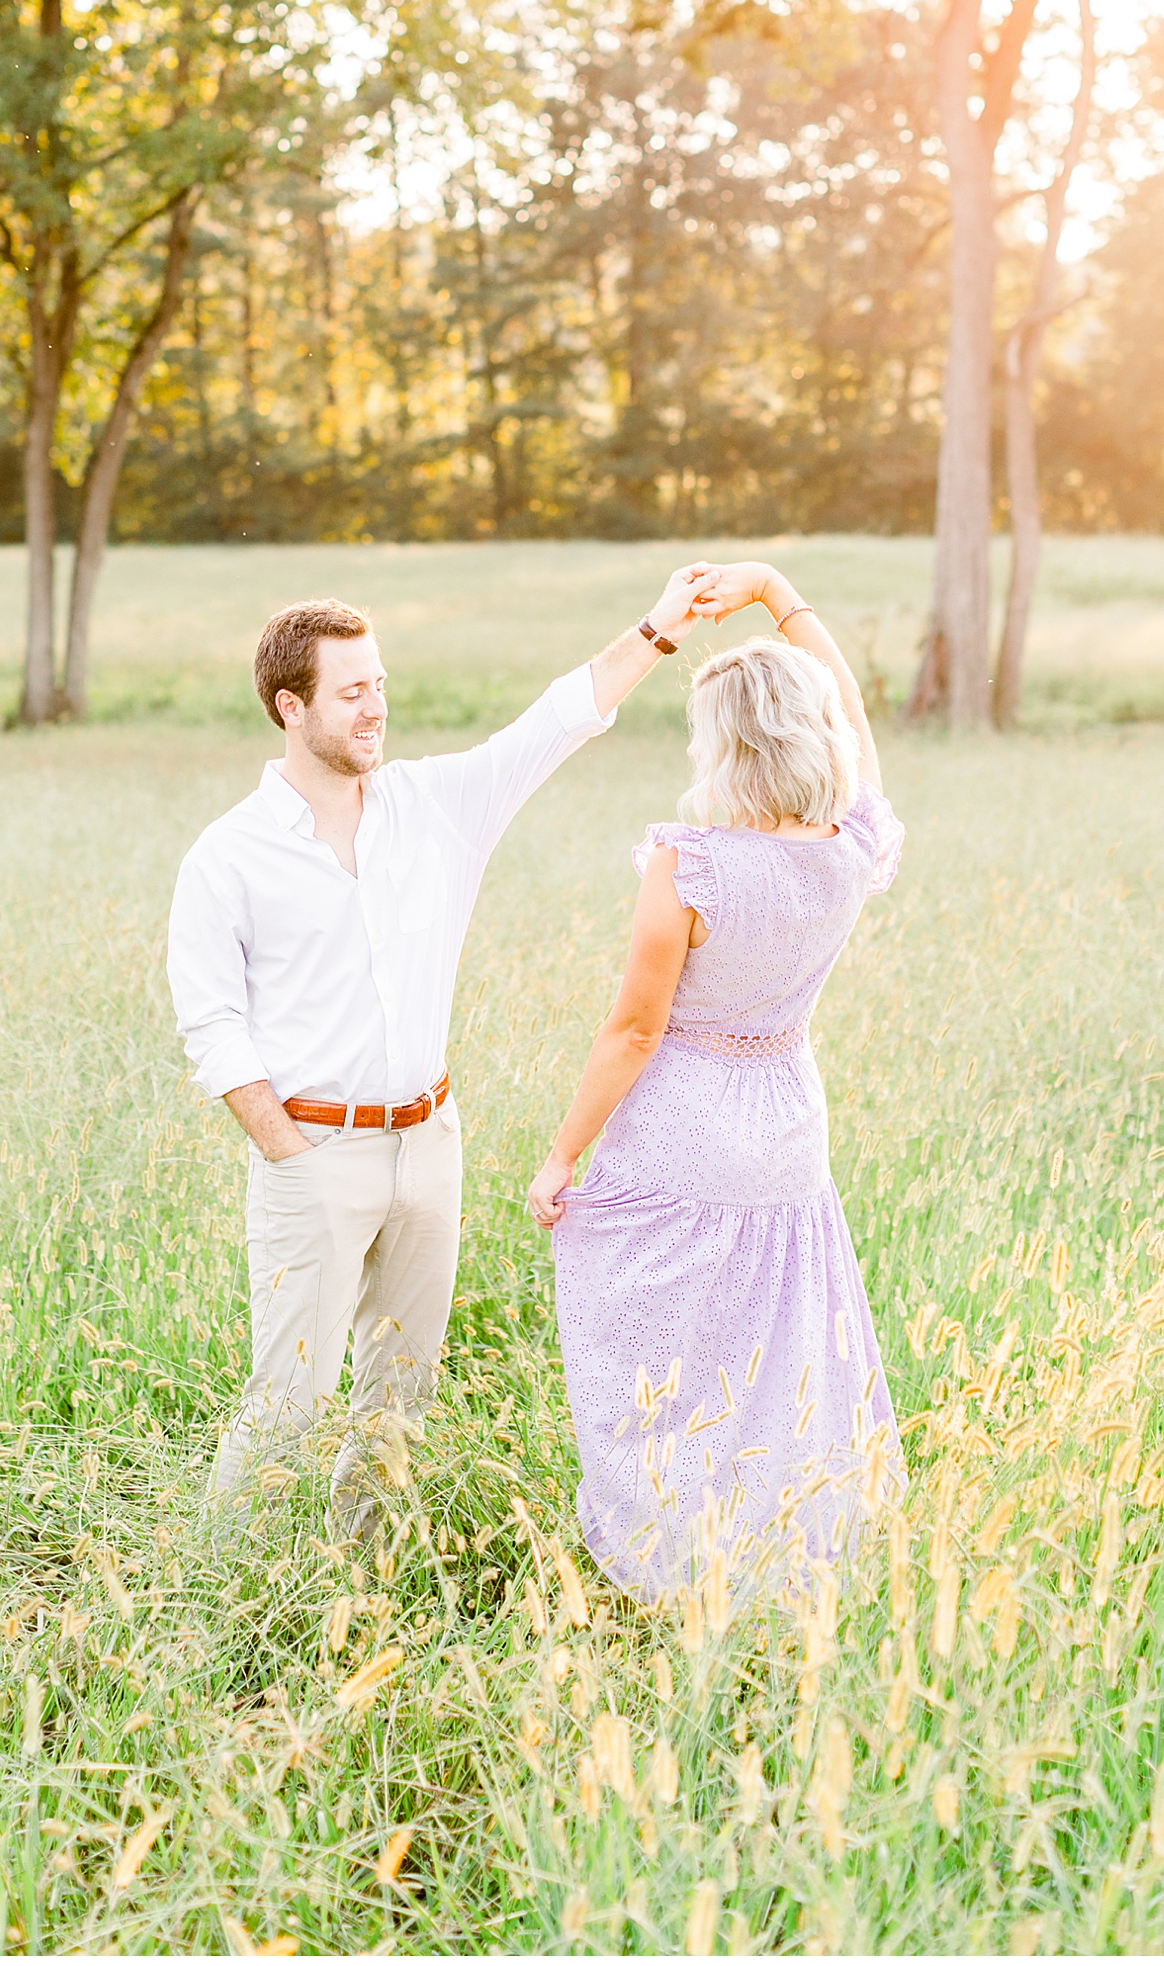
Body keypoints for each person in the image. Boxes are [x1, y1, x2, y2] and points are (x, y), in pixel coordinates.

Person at [168, 567, 717, 1539]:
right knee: (288, 1399)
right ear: (290, 707)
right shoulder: (229, 854)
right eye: (351, 691)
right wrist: (288, 1152)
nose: (376, 706)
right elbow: (210, 1023)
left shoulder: (436, 806)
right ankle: (223, 1584)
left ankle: (355, 1580)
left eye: (379, 683)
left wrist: (657, 628)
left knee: (399, 1397)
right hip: (312, 1154)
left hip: (429, 1144)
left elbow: (554, 721)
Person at [527, 559, 906, 1605]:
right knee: (774, 1346)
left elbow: (636, 1027)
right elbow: (857, 713)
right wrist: (781, 592)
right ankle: (780, 1555)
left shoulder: (687, 862)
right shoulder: (851, 845)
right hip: (788, 1121)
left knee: (663, 1351)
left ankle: (673, 1557)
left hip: (681, 1125)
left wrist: (562, 1156)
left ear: (729, 742)